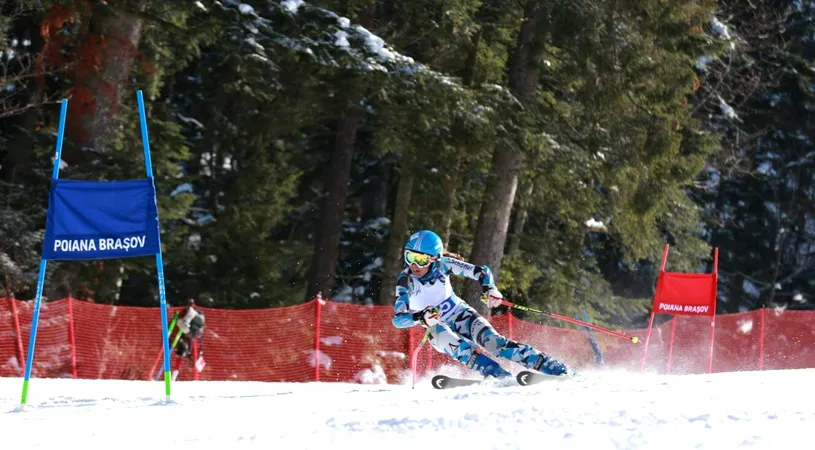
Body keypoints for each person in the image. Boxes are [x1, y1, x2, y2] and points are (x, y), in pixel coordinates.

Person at [391, 229, 573, 380]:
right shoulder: (405, 281)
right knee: (456, 345)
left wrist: (490, 289)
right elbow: (398, 320)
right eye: (410, 257)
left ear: (434, 258)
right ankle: (497, 375)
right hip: (434, 326)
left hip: (460, 313)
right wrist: (419, 317)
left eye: (421, 259)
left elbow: (481, 273)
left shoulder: (443, 265)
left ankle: (552, 367)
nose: (414, 265)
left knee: (494, 343)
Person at [172, 298, 206, 380]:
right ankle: (174, 376)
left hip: (187, 334)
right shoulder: (197, 314)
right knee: (182, 351)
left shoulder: (192, 312)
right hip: (186, 334)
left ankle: (174, 376)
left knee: (182, 351)